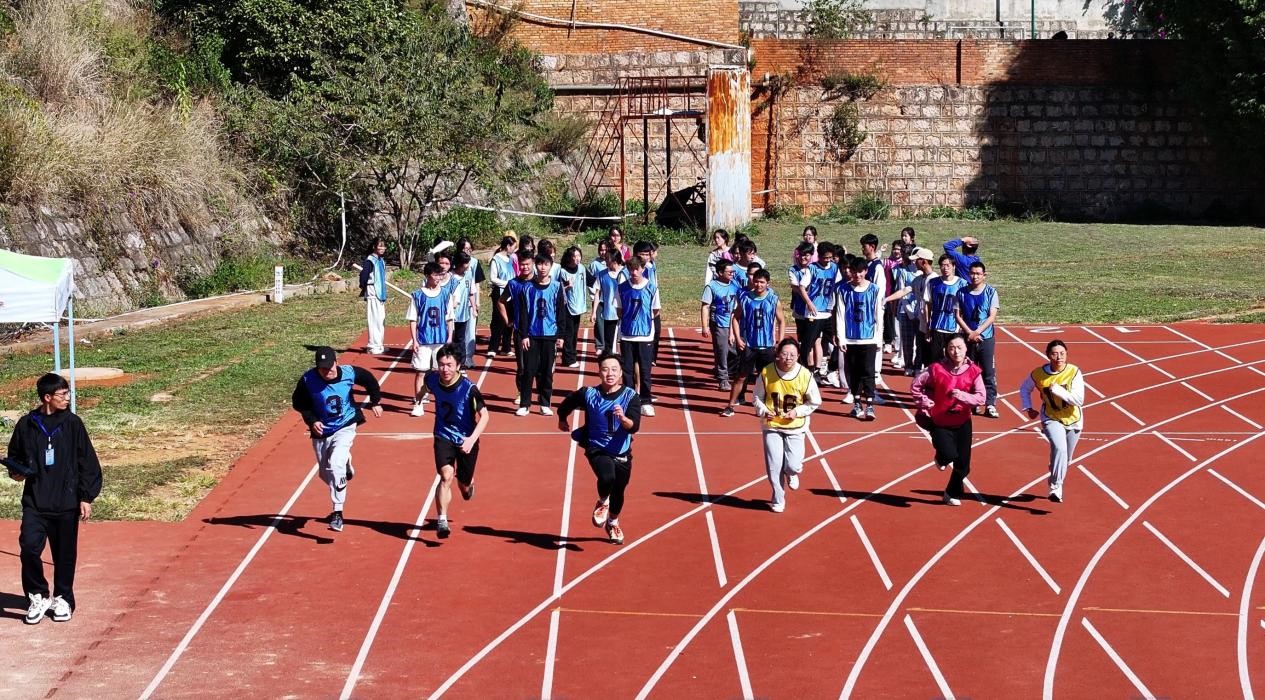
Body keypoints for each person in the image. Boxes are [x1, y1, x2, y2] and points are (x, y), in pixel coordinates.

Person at [7, 373, 102, 624]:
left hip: (66, 502)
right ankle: (38, 595)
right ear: (47, 397)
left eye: (67, 392)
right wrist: (16, 472)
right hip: (35, 502)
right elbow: (15, 456)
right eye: (63, 394)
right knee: (29, 548)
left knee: (64, 556)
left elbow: (87, 461)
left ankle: (63, 598)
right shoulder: (27, 424)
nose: (68, 398)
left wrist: (86, 497)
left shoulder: (73, 424)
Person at [292, 347, 383, 531]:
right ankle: (346, 463)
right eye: (323, 369)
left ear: (336, 362)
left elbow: (370, 380)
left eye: (330, 367)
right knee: (325, 474)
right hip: (322, 431)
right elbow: (298, 403)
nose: (327, 371)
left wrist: (375, 401)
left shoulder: (349, 373)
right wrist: (312, 420)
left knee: (335, 465)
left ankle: (337, 512)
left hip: (345, 425)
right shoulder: (308, 380)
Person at [558, 353, 643, 544]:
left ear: (620, 373)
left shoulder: (630, 396)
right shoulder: (589, 394)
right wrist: (562, 418)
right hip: (596, 447)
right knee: (607, 477)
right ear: (599, 373)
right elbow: (568, 403)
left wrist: (623, 419)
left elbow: (634, 426)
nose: (609, 373)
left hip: (621, 451)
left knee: (619, 491)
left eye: (614, 370)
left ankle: (612, 522)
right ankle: (603, 501)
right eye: (605, 369)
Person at [910, 335, 985, 506]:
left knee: (963, 466)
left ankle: (951, 492)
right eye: (951, 347)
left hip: (963, 422)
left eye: (959, 347)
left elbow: (981, 397)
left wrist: (963, 396)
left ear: (966, 349)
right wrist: (924, 402)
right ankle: (941, 457)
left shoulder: (974, 371)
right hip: (940, 421)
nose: (955, 351)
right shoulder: (936, 369)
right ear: (946, 350)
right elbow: (916, 386)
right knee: (949, 454)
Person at [426, 344, 489, 538]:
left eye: (449, 365)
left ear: (458, 366)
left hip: (466, 439)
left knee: (464, 485)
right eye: (441, 365)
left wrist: (471, 440)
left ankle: (467, 484)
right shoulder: (433, 379)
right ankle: (442, 521)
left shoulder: (469, 389)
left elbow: (485, 416)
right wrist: (419, 395)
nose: (445, 369)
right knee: (446, 476)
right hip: (443, 435)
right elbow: (425, 383)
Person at [754, 339, 822, 513]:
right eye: (784, 354)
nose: (788, 358)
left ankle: (791, 473)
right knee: (774, 464)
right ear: (777, 355)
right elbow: (757, 397)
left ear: (798, 356)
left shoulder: (805, 375)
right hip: (772, 425)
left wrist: (797, 412)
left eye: (792, 355)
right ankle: (778, 498)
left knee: (793, 464)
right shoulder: (766, 372)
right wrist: (763, 411)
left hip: (796, 426)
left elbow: (815, 401)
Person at [1020, 339, 1084, 503]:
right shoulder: (1039, 374)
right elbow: (1024, 388)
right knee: (1060, 448)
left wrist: (1059, 391)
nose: (1059, 357)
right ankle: (1056, 487)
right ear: (1048, 355)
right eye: (1055, 354)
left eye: (1062, 353)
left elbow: (1079, 400)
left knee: (1066, 458)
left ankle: (1054, 473)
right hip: (1051, 417)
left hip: (1073, 419)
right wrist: (1028, 407)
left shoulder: (1074, 372)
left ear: (1067, 354)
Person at [722, 268, 784, 417]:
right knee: (741, 376)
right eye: (756, 281)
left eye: (762, 282)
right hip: (750, 346)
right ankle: (730, 405)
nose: (758, 285)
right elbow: (735, 318)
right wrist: (738, 338)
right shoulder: (745, 299)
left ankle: (770, 406)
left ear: (768, 283)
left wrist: (780, 341)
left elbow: (781, 321)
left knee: (769, 378)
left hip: (767, 346)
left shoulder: (773, 300)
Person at [516, 254, 568, 416]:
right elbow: (523, 314)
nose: (543, 267)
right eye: (540, 264)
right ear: (535, 266)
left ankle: (545, 403)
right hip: (532, 334)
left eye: (546, 264)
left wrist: (561, 335)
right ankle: (525, 404)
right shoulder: (527, 288)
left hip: (550, 334)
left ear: (551, 266)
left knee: (547, 371)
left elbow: (561, 312)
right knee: (528, 370)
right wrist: (524, 334)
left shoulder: (557, 287)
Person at [407, 262, 456, 416]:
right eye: (435, 275)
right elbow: (413, 319)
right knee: (421, 372)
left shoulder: (446, 294)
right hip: (423, 340)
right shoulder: (417, 295)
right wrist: (414, 340)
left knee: (442, 372)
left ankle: (444, 403)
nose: (438, 278)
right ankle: (418, 403)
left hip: (440, 340)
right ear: (428, 276)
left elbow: (450, 318)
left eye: (440, 275)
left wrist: (449, 337)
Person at [838, 256, 883, 420]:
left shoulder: (875, 290)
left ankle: (870, 405)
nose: (857, 275)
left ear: (865, 271)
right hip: (851, 338)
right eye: (854, 271)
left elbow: (879, 315)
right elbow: (840, 315)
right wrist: (841, 338)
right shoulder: (843, 290)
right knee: (854, 371)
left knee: (868, 371)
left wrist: (879, 338)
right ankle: (857, 404)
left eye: (860, 271)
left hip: (869, 338)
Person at [615, 256, 659, 417]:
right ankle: (630, 401)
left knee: (645, 371)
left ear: (643, 269)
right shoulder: (621, 288)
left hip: (645, 336)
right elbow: (619, 309)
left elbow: (655, 310)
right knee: (627, 371)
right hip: (627, 335)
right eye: (631, 269)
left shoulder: (652, 287)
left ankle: (646, 401)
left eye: (637, 269)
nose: (634, 272)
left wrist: (642, 321)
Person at [955, 261, 1000, 418]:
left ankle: (990, 404)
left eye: (978, 274)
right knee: (969, 372)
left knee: (988, 372)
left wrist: (977, 332)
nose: (975, 276)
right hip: (968, 338)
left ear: (984, 275)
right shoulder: (961, 292)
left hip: (986, 338)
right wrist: (969, 333)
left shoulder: (991, 292)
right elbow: (957, 315)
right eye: (972, 273)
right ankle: (972, 402)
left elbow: (992, 316)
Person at [701, 258, 741, 391]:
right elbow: (705, 306)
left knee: (736, 349)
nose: (732, 274)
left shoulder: (735, 285)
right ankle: (723, 378)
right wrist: (705, 326)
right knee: (722, 350)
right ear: (720, 272)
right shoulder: (712, 286)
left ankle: (729, 371)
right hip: (719, 323)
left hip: (733, 322)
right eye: (729, 272)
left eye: (733, 272)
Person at [924, 253, 966, 364]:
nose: (945, 268)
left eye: (948, 265)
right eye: (942, 265)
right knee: (935, 361)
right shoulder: (932, 283)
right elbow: (928, 305)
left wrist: (962, 326)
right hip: (937, 327)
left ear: (954, 266)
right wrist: (928, 326)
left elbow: (964, 308)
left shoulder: (962, 284)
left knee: (954, 360)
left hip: (954, 329)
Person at [557, 246, 588, 368]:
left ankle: (571, 355)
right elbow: (558, 290)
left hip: (578, 306)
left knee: (574, 333)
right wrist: (567, 287)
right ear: (569, 257)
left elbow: (591, 281)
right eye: (574, 256)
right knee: (568, 333)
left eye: (579, 255)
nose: (577, 258)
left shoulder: (581, 268)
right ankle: (568, 358)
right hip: (567, 306)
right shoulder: (562, 271)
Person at [358, 237, 389, 355]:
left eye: (383, 246)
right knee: (374, 319)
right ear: (374, 247)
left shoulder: (381, 260)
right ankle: (373, 346)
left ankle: (379, 344)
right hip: (373, 292)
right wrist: (364, 287)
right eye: (380, 246)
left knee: (381, 319)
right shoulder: (369, 261)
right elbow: (363, 276)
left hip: (381, 294)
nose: (382, 248)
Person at [590, 251, 625, 355]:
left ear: (615, 260)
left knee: (624, 341)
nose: (605, 261)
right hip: (609, 312)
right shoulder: (602, 274)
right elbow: (597, 293)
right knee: (609, 341)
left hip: (624, 312)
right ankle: (609, 358)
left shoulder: (626, 272)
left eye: (607, 259)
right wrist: (594, 312)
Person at [488, 235, 517, 357]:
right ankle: (493, 347)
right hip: (499, 293)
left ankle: (506, 347)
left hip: (511, 294)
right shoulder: (496, 259)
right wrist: (508, 284)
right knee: (497, 320)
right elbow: (493, 278)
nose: (514, 249)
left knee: (509, 320)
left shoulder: (510, 259)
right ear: (508, 246)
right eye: (513, 247)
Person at [449, 252, 477, 369]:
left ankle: (461, 361)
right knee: (451, 338)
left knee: (461, 338)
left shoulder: (469, 274)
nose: (468, 266)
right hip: (451, 315)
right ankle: (449, 359)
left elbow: (471, 293)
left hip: (463, 314)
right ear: (460, 264)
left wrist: (474, 308)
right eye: (466, 263)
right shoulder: (450, 276)